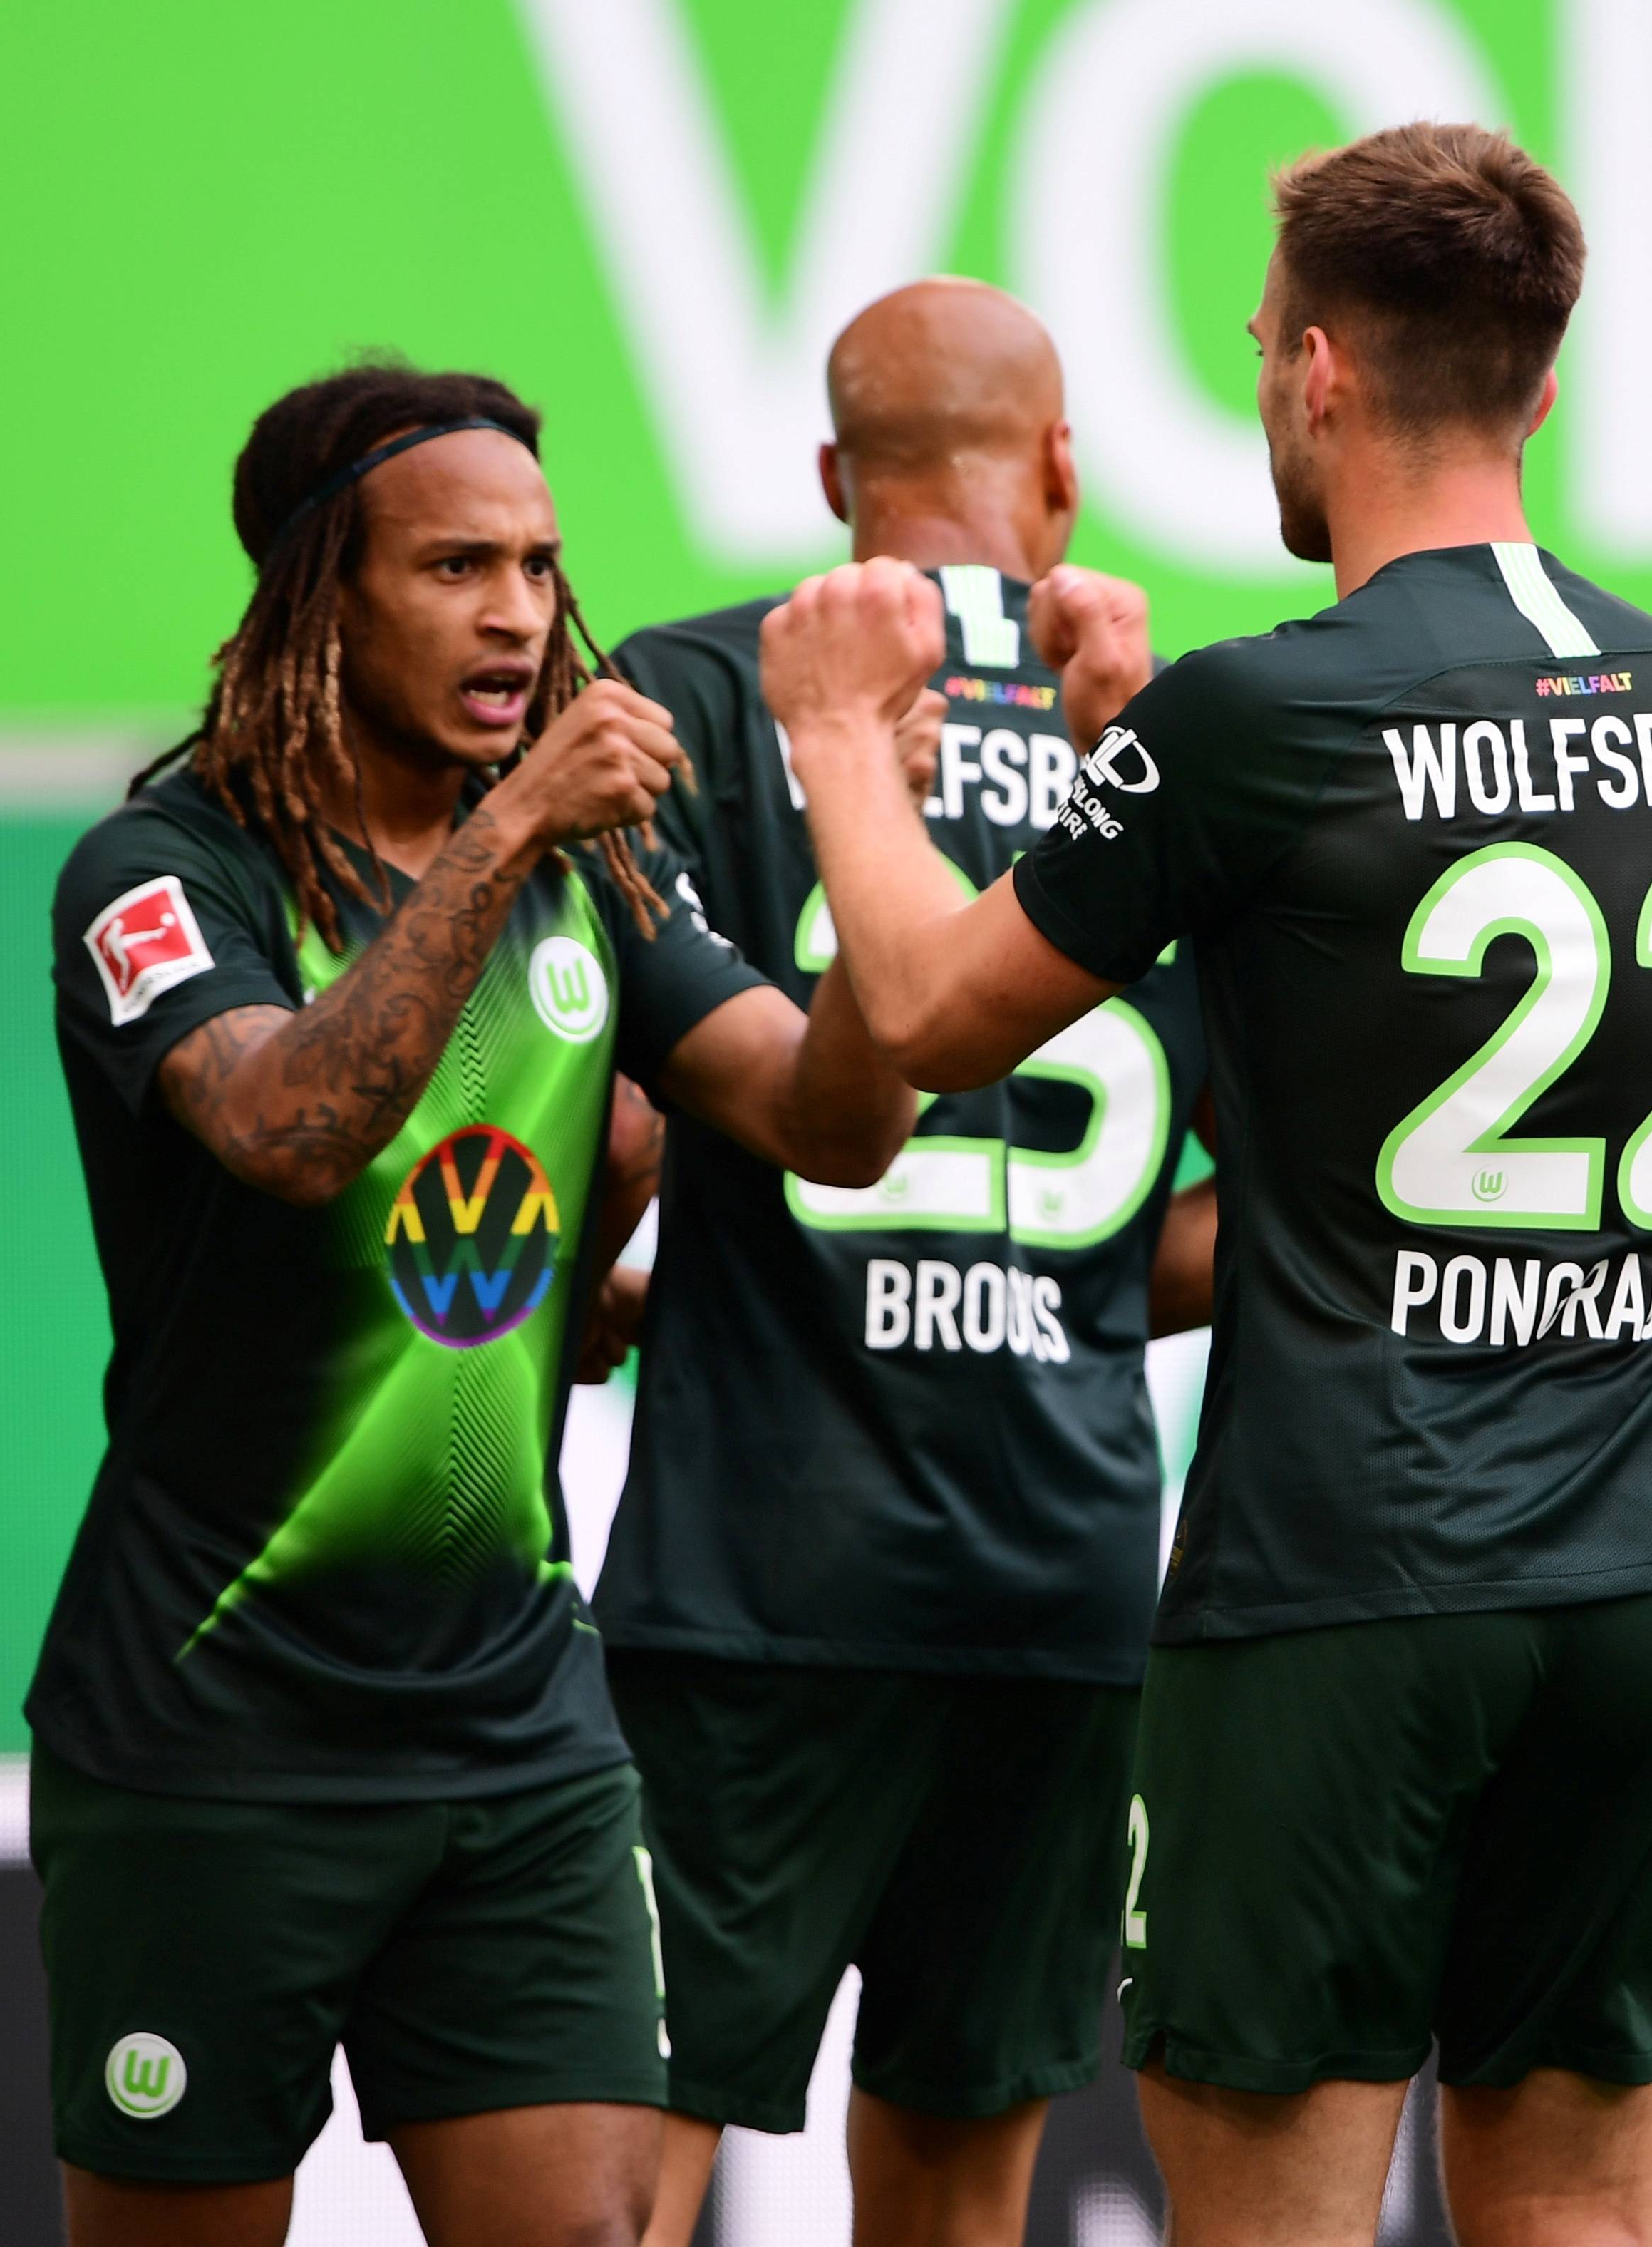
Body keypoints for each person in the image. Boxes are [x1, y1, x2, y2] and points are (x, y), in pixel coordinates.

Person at [760, 120, 1652, 2247]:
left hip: (1346, 1582)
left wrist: (845, 739)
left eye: (1254, 349)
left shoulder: (1260, 713)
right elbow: (1355, 1060)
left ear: (1317, 372)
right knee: (1585, 2224)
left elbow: (931, 1013)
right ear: (1541, 383)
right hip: (1650, 1583)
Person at [32, 364, 912, 2247]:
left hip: (517, 1728)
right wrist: (508, 836)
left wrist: (863, 834)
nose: (518, 613)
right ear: (317, 597)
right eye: (454, 567)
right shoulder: (165, 871)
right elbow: (291, 1128)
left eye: (537, 565)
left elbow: (835, 1125)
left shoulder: (602, 876)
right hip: (213, 1732)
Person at [588, 279, 1212, 2247]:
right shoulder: (1170, 742)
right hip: (1062, 1577)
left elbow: (603, 1102)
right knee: (955, 2192)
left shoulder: (698, 695)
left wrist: (609, 1287)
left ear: (833, 477)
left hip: (756, 1572)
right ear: (1060, 471)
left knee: (627, 2168)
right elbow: (1297, 1198)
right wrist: (1079, 1291)